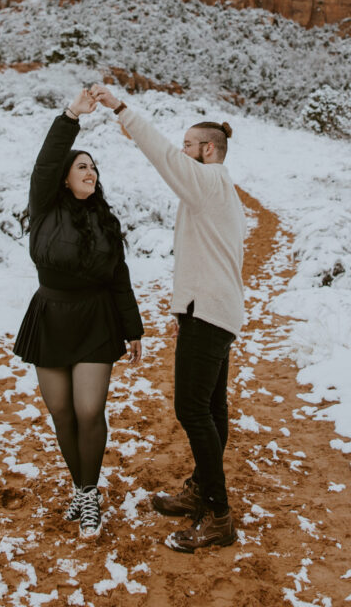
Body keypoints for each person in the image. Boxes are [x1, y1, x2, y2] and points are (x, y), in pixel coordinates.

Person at [90, 83, 246, 553]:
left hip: (211, 314)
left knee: (191, 409)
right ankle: (202, 489)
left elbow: (162, 156)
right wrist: (186, 307)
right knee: (211, 408)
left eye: (188, 148)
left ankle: (218, 516)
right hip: (213, 310)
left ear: (207, 150)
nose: (182, 154)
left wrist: (121, 108)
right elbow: (208, 257)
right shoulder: (218, 190)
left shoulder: (210, 181)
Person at [13, 88, 144, 539]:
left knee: (90, 410)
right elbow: (45, 162)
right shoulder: (45, 208)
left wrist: (133, 330)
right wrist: (72, 115)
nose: (90, 172)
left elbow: (119, 278)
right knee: (62, 413)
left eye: (94, 167)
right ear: (65, 178)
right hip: (50, 315)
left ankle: (89, 495)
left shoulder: (106, 222)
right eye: (82, 166)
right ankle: (81, 487)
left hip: (95, 319)